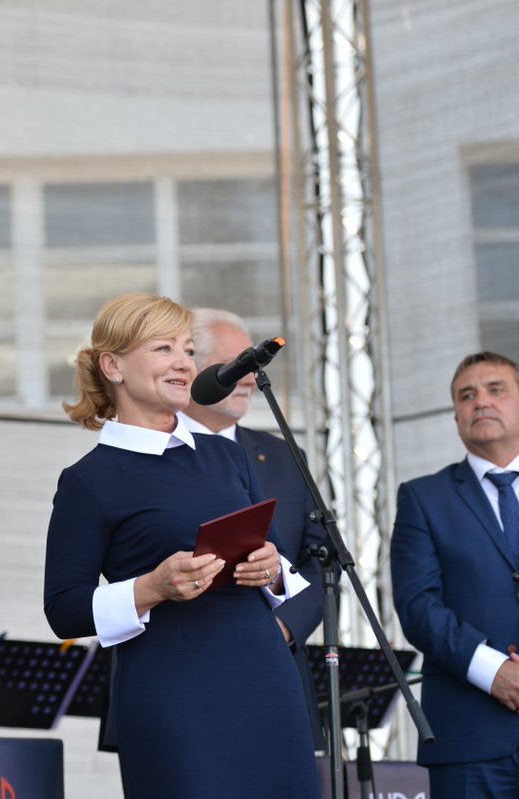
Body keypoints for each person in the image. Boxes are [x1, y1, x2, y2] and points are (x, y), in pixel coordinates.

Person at [43, 292, 321, 798]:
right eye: (163, 348)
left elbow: (280, 563)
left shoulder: (227, 456)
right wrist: (151, 588)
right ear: (113, 366)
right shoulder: (89, 480)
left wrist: (271, 568)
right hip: (174, 690)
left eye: (189, 350)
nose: (183, 363)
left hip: (265, 678)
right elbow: (63, 608)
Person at [180, 307, 327, 750]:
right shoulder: (153, 451)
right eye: (234, 364)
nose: (248, 377)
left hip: (277, 676)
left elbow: (323, 559)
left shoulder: (283, 455)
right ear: (189, 368)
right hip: (184, 679)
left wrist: (283, 627)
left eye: (252, 364)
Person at [391, 351, 519, 798]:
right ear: (456, 417)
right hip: (471, 737)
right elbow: (418, 606)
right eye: (467, 396)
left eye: (496, 390)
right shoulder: (423, 498)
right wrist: (494, 671)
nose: (480, 402)